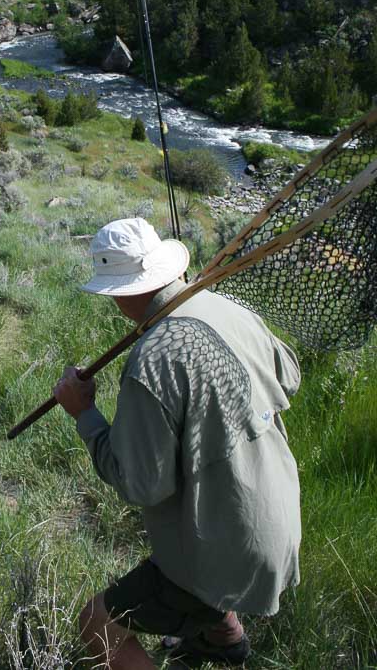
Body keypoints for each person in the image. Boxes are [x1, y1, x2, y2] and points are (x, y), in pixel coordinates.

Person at [53, 218, 301, 669]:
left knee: (97, 623)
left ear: (123, 292)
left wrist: (84, 413)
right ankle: (225, 640)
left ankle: (214, 625)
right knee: (196, 540)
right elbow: (291, 375)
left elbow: (140, 485)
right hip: (278, 521)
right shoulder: (227, 306)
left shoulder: (152, 359)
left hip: (229, 546)